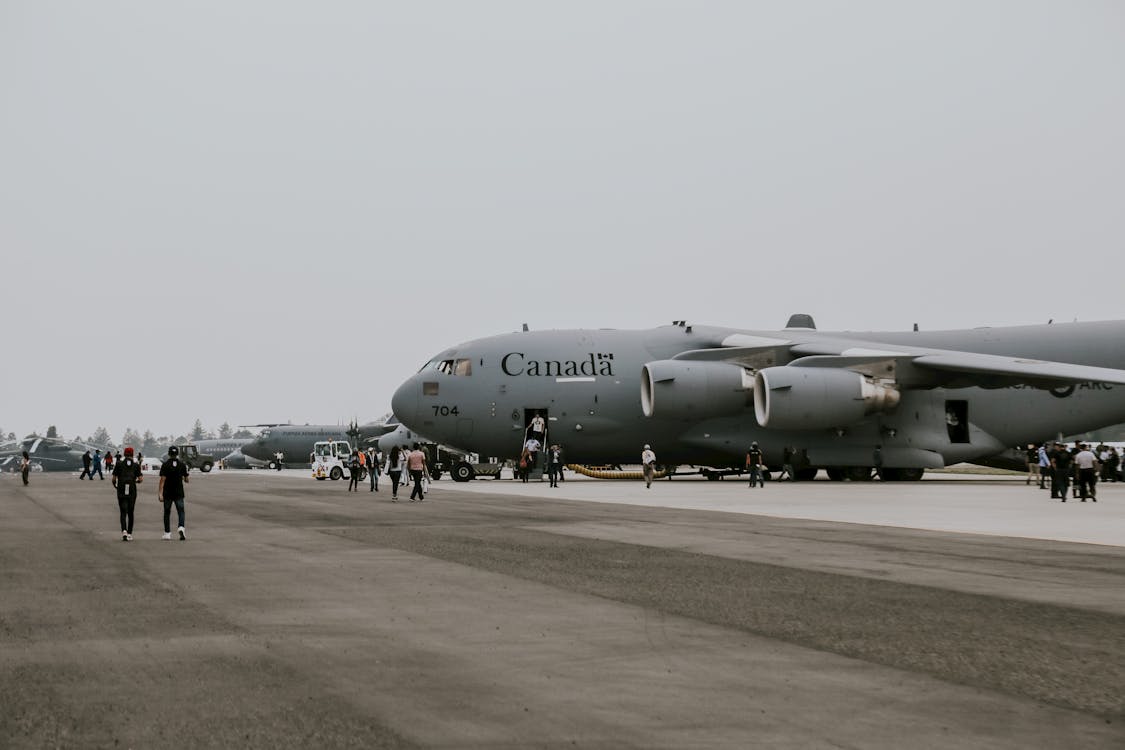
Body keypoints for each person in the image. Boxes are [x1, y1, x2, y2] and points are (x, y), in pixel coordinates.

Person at [159, 445, 190, 540]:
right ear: (177, 454)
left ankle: (167, 533)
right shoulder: (182, 465)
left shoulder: (165, 465)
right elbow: (186, 480)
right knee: (181, 511)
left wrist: (160, 493)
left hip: (168, 492)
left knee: (167, 512)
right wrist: (185, 474)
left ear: (169, 454)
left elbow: (162, 480)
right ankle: (181, 527)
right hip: (179, 492)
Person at [112, 446, 143, 541]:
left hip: (121, 488)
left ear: (124, 454)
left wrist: (115, 486)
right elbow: (140, 479)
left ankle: (124, 531)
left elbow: (114, 478)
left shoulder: (119, 464)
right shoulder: (136, 465)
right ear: (133, 454)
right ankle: (129, 533)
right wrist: (136, 482)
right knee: (131, 512)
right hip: (132, 489)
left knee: (123, 511)